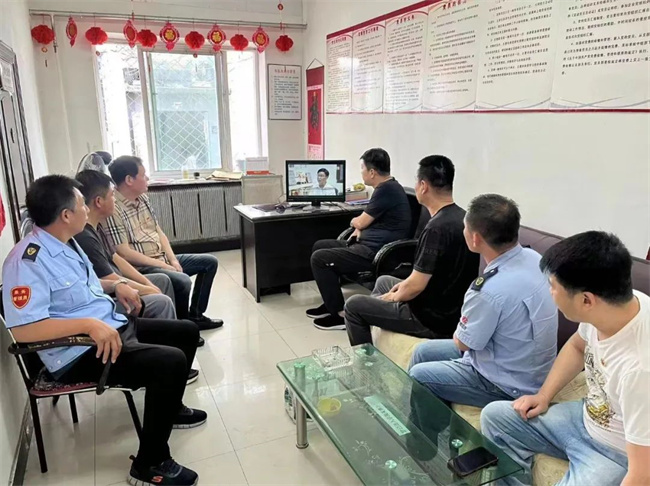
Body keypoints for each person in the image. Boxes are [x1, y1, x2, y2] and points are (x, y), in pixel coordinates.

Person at [2, 175, 206, 485]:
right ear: (66, 215)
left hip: (108, 328)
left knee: (186, 332)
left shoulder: (66, 242)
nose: (87, 209)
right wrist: (88, 324)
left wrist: (116, 285)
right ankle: (149, 464)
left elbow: (79, 288)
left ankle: (170, 409)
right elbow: (25, 330)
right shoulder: (26, 261)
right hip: (78, 352)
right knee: (170, 362)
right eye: (81, 204)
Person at [481, 232, 649, 486]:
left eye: (553, 287)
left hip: (615, 453)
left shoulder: (640, 369)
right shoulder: (615, 305)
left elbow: (642, 473)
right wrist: (543, 395)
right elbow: (577, 347)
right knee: (495, 417)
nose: (549, 292)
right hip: (583, 417)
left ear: (586, 300)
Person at [409, 194, 558, 408]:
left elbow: (463, 343)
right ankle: (423, 420)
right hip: (530, 366)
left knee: (419, 375)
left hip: (507, 383)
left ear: (475, 239)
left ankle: (423, 428)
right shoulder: (535, 259)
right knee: (422, 351)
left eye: (465, 227)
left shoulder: (487, 291)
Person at [344, 155, 479, 345]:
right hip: (451, 306)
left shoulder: (435, 229)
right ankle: (377, 328)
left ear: (423, 186)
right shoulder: (463, 217)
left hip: (431, 319)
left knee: (353, 306)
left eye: (417, 182)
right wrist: (394, 293)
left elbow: (415, 287)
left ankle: (367, 360)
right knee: (384, 281)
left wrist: (391, 298)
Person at [102, 156, 222, 330]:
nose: (147, 178)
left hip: (161, 258)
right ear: (129, 180)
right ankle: (182, 327)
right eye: (143, 175)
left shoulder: (143, 198)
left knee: (209, 262)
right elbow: (124, 253)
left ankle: (195, 316)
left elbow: (158, 231)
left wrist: (172, 260)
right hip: (143, 267)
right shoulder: (114, 209)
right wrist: (163, 265)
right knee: (182, 281)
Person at [307, 148, 411, 330]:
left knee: (320, 258)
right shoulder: (386, 188)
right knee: (320, 245)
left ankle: (340, 315)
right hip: (365, 245)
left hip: (375, 252)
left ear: (372, 172)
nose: (361, 172)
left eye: (362, 168)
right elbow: (365, 221)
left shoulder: (386, 190)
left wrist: (356, 225)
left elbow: (360, 221)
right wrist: (358, 228)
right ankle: (331, 303)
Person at [74, 170, 176, 321]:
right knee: (162, 301)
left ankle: (172, 326)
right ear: (99, 201)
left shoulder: (97, 227)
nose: (115, 200)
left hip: (119, 281)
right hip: (110, 294)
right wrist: (149, 290)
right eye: (112, 195)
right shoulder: (85, 237)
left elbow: (115, 258)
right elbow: (110, 277)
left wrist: (147, 284)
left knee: (162, 280)